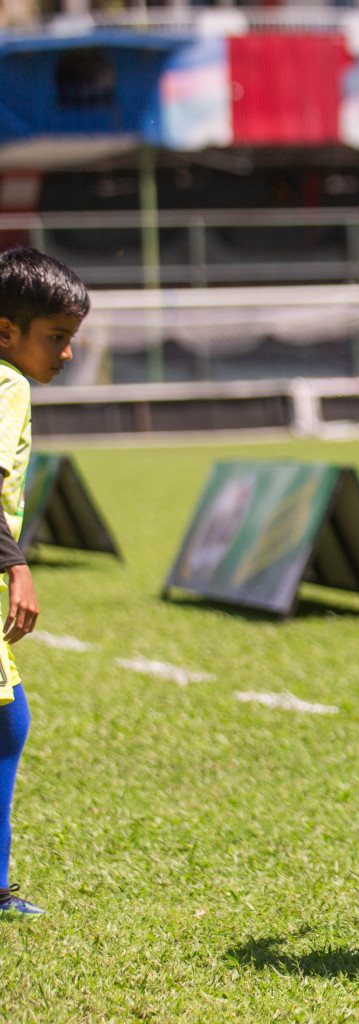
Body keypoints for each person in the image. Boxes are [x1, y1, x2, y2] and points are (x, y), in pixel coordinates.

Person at [0, 248, 85, 921]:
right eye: (55, 338)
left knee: (9, 720)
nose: (66, 353)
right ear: (7, 332)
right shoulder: (8, 387)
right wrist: (16, 564)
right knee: (8, 723)